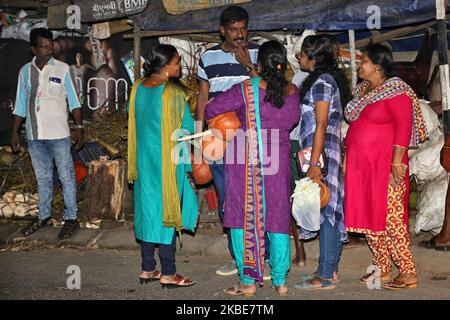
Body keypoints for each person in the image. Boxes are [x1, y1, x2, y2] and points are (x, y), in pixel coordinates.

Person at [204, 40, 300, 296]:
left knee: (241, 216)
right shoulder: (292, 92)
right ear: (284, 63)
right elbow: (292, 120)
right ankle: (280, 281)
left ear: (259, 63)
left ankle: (247, 282)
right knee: (277, 219)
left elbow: (211, 108)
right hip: (278, 162)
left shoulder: (246, 89)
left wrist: (236, 120)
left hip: (245, 159)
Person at [344, 44, 428, 290]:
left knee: (391, 218)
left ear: (379, 66)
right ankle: (382, 268)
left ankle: (407, 271)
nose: (360, 64)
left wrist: (396, 164)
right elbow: (355, 129)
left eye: (365, 61)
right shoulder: (362, 90)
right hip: (362, 167)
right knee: (369, 216)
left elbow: (403, 130)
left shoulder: (396, 91)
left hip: (386, 166)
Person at [196, 5, 261, 277]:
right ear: (222, 30)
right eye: (233, 30)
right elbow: (202, 98)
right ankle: (237, 257)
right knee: (226, 199)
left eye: (243, 29)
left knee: (255, 198)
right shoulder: (208, 58)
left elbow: (268, 90)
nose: (239, 35)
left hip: (250, 137)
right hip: (217, 139)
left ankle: (261, 256)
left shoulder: (257, 53)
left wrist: (248, 64)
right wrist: (199, 137)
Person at [127, 44, 199, 288]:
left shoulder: (137, 88)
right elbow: (187, 129)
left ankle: (148, 268)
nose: (180, 66)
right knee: (168, 213)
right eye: (177, 62)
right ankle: (168, 273)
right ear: (166, 65)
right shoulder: (174, 94)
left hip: (143, 162)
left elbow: (133, 118)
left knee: (147, 212)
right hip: (168, 165)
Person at [10, 28, 84, 240]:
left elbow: (75, 101)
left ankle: (71, 218)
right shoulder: (25, 72)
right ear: (33, 48)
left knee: (66, 176)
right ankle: (44, 216)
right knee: (42, 178)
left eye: (50, 44)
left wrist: (79, 128)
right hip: (35, 135)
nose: (49, 48)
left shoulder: (63, 69)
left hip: (59, 133)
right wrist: (15, 131)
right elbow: (21, 104)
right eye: (44, 45)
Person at [293, 35, 351, 290]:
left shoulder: (322, 83)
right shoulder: (325, 80)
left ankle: (325, 275)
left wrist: (315, 163)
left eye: (303, 53)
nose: (298, 57)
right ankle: (330, 270)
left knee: (327, 209)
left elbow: (321, 123)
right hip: (323, 152)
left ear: (314, 58)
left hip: (322, 153)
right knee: (330, 206)